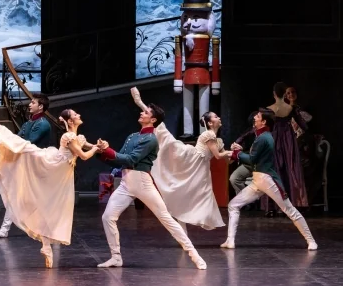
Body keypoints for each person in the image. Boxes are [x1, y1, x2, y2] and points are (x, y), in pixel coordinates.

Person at [0, 101, 100, 268]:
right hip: (50, 163)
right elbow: (84, 156)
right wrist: (96, 149)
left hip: (60, 174)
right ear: (70, 121)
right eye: (75, 114)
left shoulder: (78, 137)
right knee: (14, 140)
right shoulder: (69, 137)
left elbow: (88, 146)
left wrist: (98, 146)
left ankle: (46, 246)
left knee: (49, 207)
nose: (78, 115)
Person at [95, 102, 207, 270]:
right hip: (126, 183)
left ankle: (194, 255)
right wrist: (101, 152)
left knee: (166, 218)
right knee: (108, 217)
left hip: (142, 182)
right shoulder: (133, 136)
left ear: (153, 120)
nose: (142, 113)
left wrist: (107, 150)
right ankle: (116, 257)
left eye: (146, 112)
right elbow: (120, 159)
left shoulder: (151, 139)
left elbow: (131, 159)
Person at [131, 87, 227, 232]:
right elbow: (219, 155)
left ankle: (186, 226)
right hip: (191, 158)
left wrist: (235, 153)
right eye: (216, 117)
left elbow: (225, 157)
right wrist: (233, 153)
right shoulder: (209, 135)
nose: (219, 118)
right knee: (168, 140)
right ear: (210, 123)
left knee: (197, 192)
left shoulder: (218, 140)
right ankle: (184, 226)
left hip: (201, 166)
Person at [222, 108, 317, 250]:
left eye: (258, 116)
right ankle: (230, 241)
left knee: (289, 209)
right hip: (258, 180)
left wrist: (236, 153)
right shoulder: (263, 136)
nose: (255, 117)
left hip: (266, 179)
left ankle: (311, 240)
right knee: (234, 205)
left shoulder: (264, 138)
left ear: (264, 122)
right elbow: (255, 158)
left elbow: (253, 159)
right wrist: (238, 151)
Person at [0, 93, 53, 239]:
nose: (29, 104)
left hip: (37, 165)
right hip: (26, 163)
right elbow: (17, 138)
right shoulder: (28, 123)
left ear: (40, 106)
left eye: (33, 102)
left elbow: (27, 142)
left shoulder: (43, 124)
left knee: (39, 198)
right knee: (14, 196)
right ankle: (4, 229)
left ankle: (51, 229)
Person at [264, 82, 308, 213]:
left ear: (274, 94)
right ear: (284, 94)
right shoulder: (291, 109)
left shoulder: (269, 109)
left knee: (275, 170)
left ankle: (273, 206)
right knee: (290, 169)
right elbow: (304, 126)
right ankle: (291, 203)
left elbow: (263, 128)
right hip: (288, 140)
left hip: (274, 139)